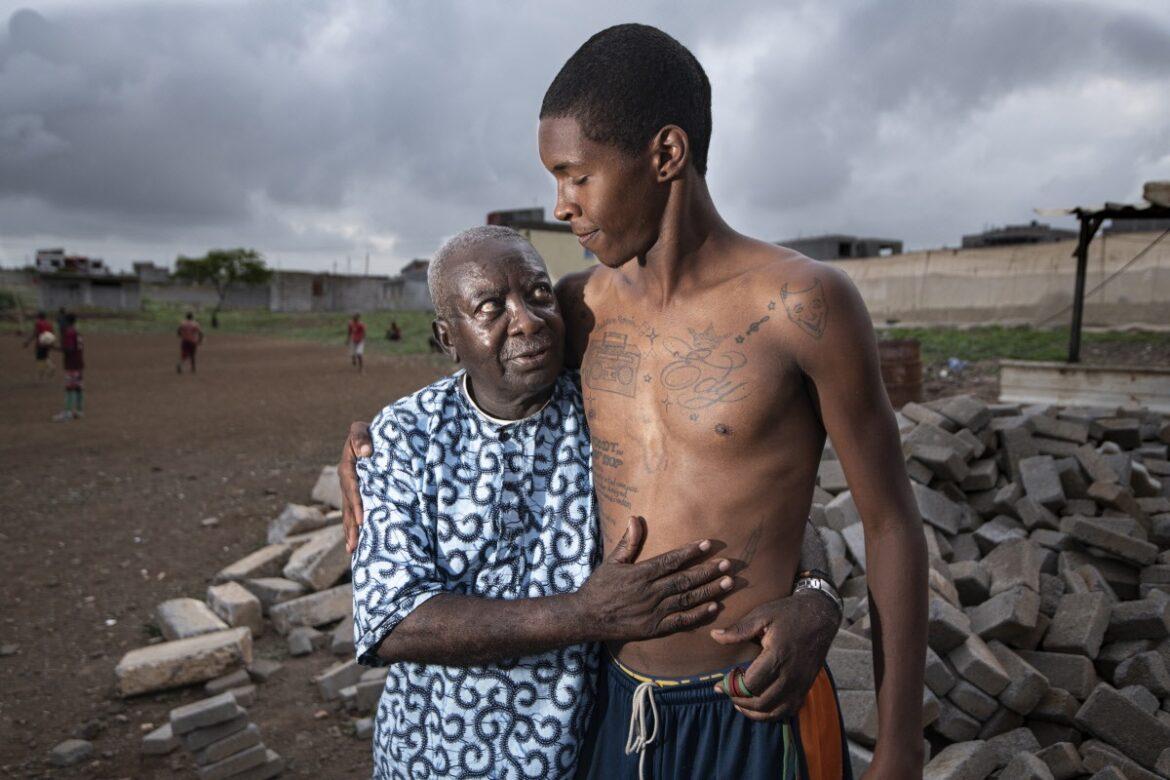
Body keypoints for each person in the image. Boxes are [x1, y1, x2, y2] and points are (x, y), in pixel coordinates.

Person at [345, 22, 926, 779]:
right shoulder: (579, 309)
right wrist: (367, 446)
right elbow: (477, 392)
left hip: (752, 701)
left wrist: (896, 740)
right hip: (616, 710)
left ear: (666, 154)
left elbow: (889, 523)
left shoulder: (802, 305)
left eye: (576, 176)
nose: (561, 205)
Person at [352, 227, 791, 778]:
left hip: (581, 759)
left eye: (539, 293)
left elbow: (750, 495)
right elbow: (392, 619)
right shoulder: (405, 435)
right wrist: (585, 614)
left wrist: (816, 590)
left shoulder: (608, 410)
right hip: (434, 759)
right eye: (490, 308)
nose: (527, 320)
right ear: (448, 338)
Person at [54, 313, 84, 421]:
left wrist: (52, 347)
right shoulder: (76, 331)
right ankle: (79, 411)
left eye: (63, 321)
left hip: (72, 364)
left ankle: (68, 412)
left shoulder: (69, 333)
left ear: (67, 322)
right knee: (78, 387)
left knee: (70, 388)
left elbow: (69, 349)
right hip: (79, 363)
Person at [23, 310, 56, 380]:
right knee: (45, 357)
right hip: (47, 343)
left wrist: (27, 341)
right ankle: (48, 368)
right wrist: (52, 343)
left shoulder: (38, 323)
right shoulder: (49, 324)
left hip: (40, 343)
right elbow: (52, 333)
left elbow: (35, 333)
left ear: (39, 317)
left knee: (40, 359)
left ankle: (44, 372)